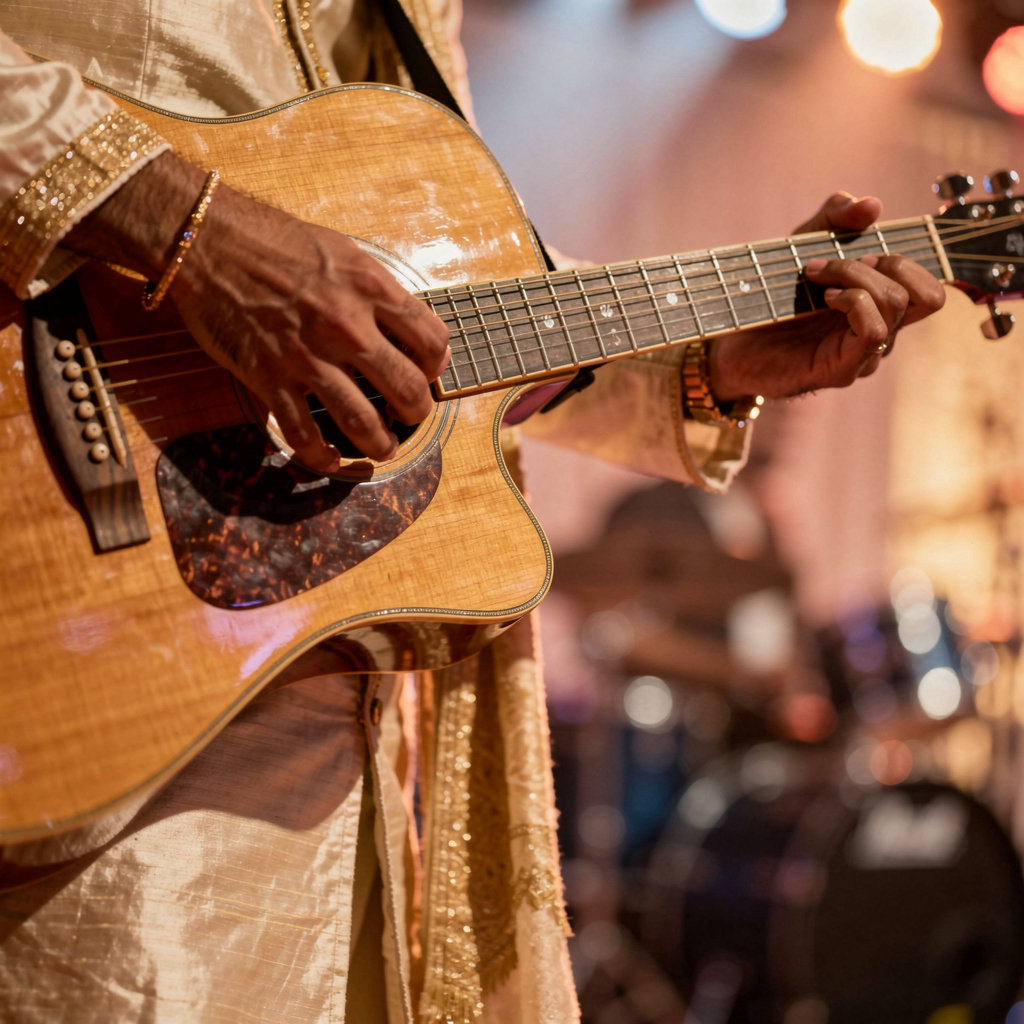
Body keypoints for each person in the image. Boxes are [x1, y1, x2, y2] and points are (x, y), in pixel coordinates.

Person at [0, 3, 946, 1021]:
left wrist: (707, 358)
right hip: (114, 772)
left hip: (339, 742)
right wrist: (193, 231)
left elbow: (439, 322)